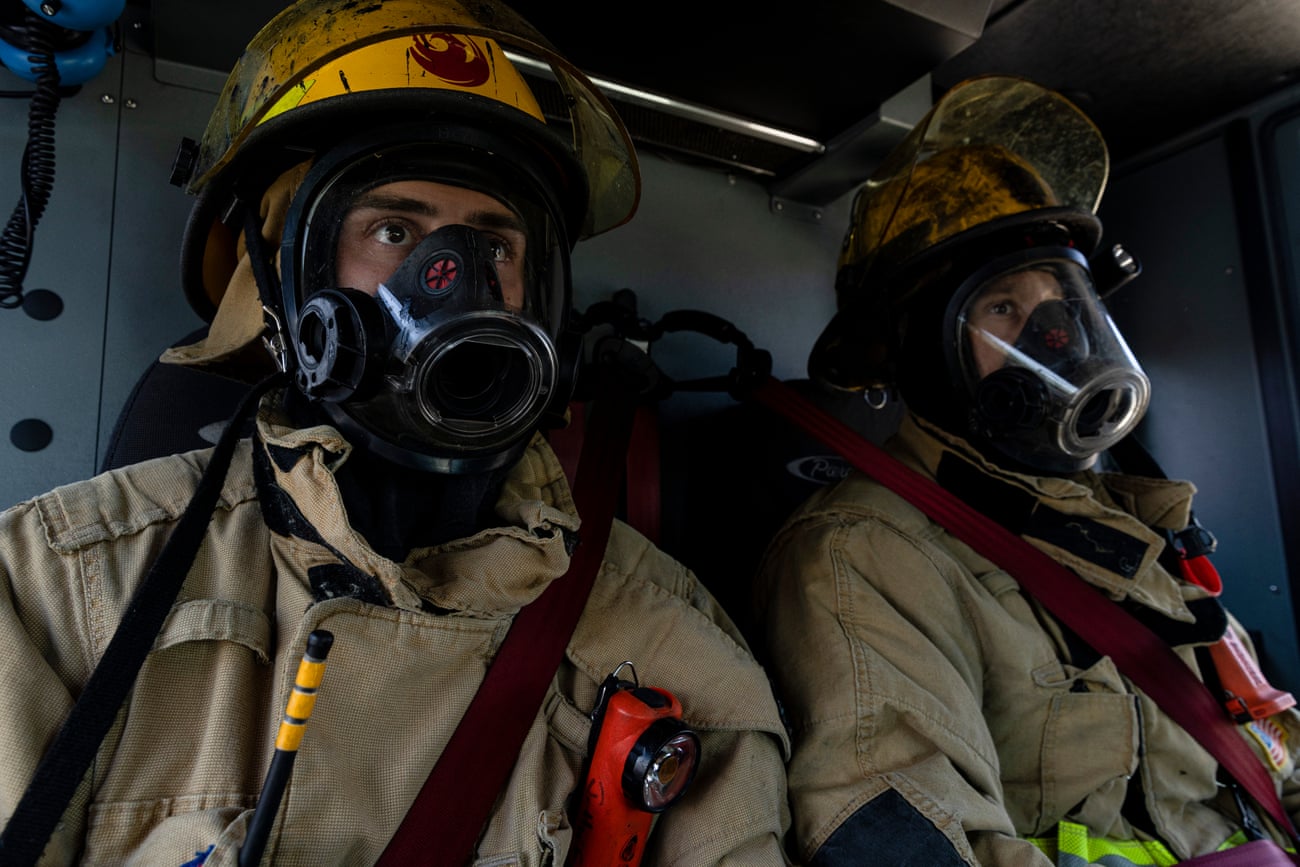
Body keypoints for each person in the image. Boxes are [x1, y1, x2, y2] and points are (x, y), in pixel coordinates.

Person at [0, 1, 791, 863]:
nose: (456, 283)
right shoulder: (57, 590)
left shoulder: (675, 644)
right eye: (393, 230)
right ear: (286, 280)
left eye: (495, 242)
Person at [755, 75, 1300, 866]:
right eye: (1005, 308)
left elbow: (1273, 753)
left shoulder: (1145, 534)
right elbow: (917, 839)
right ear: (926, 352)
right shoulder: (866, 554)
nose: (1056, 337)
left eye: (1065, 301)